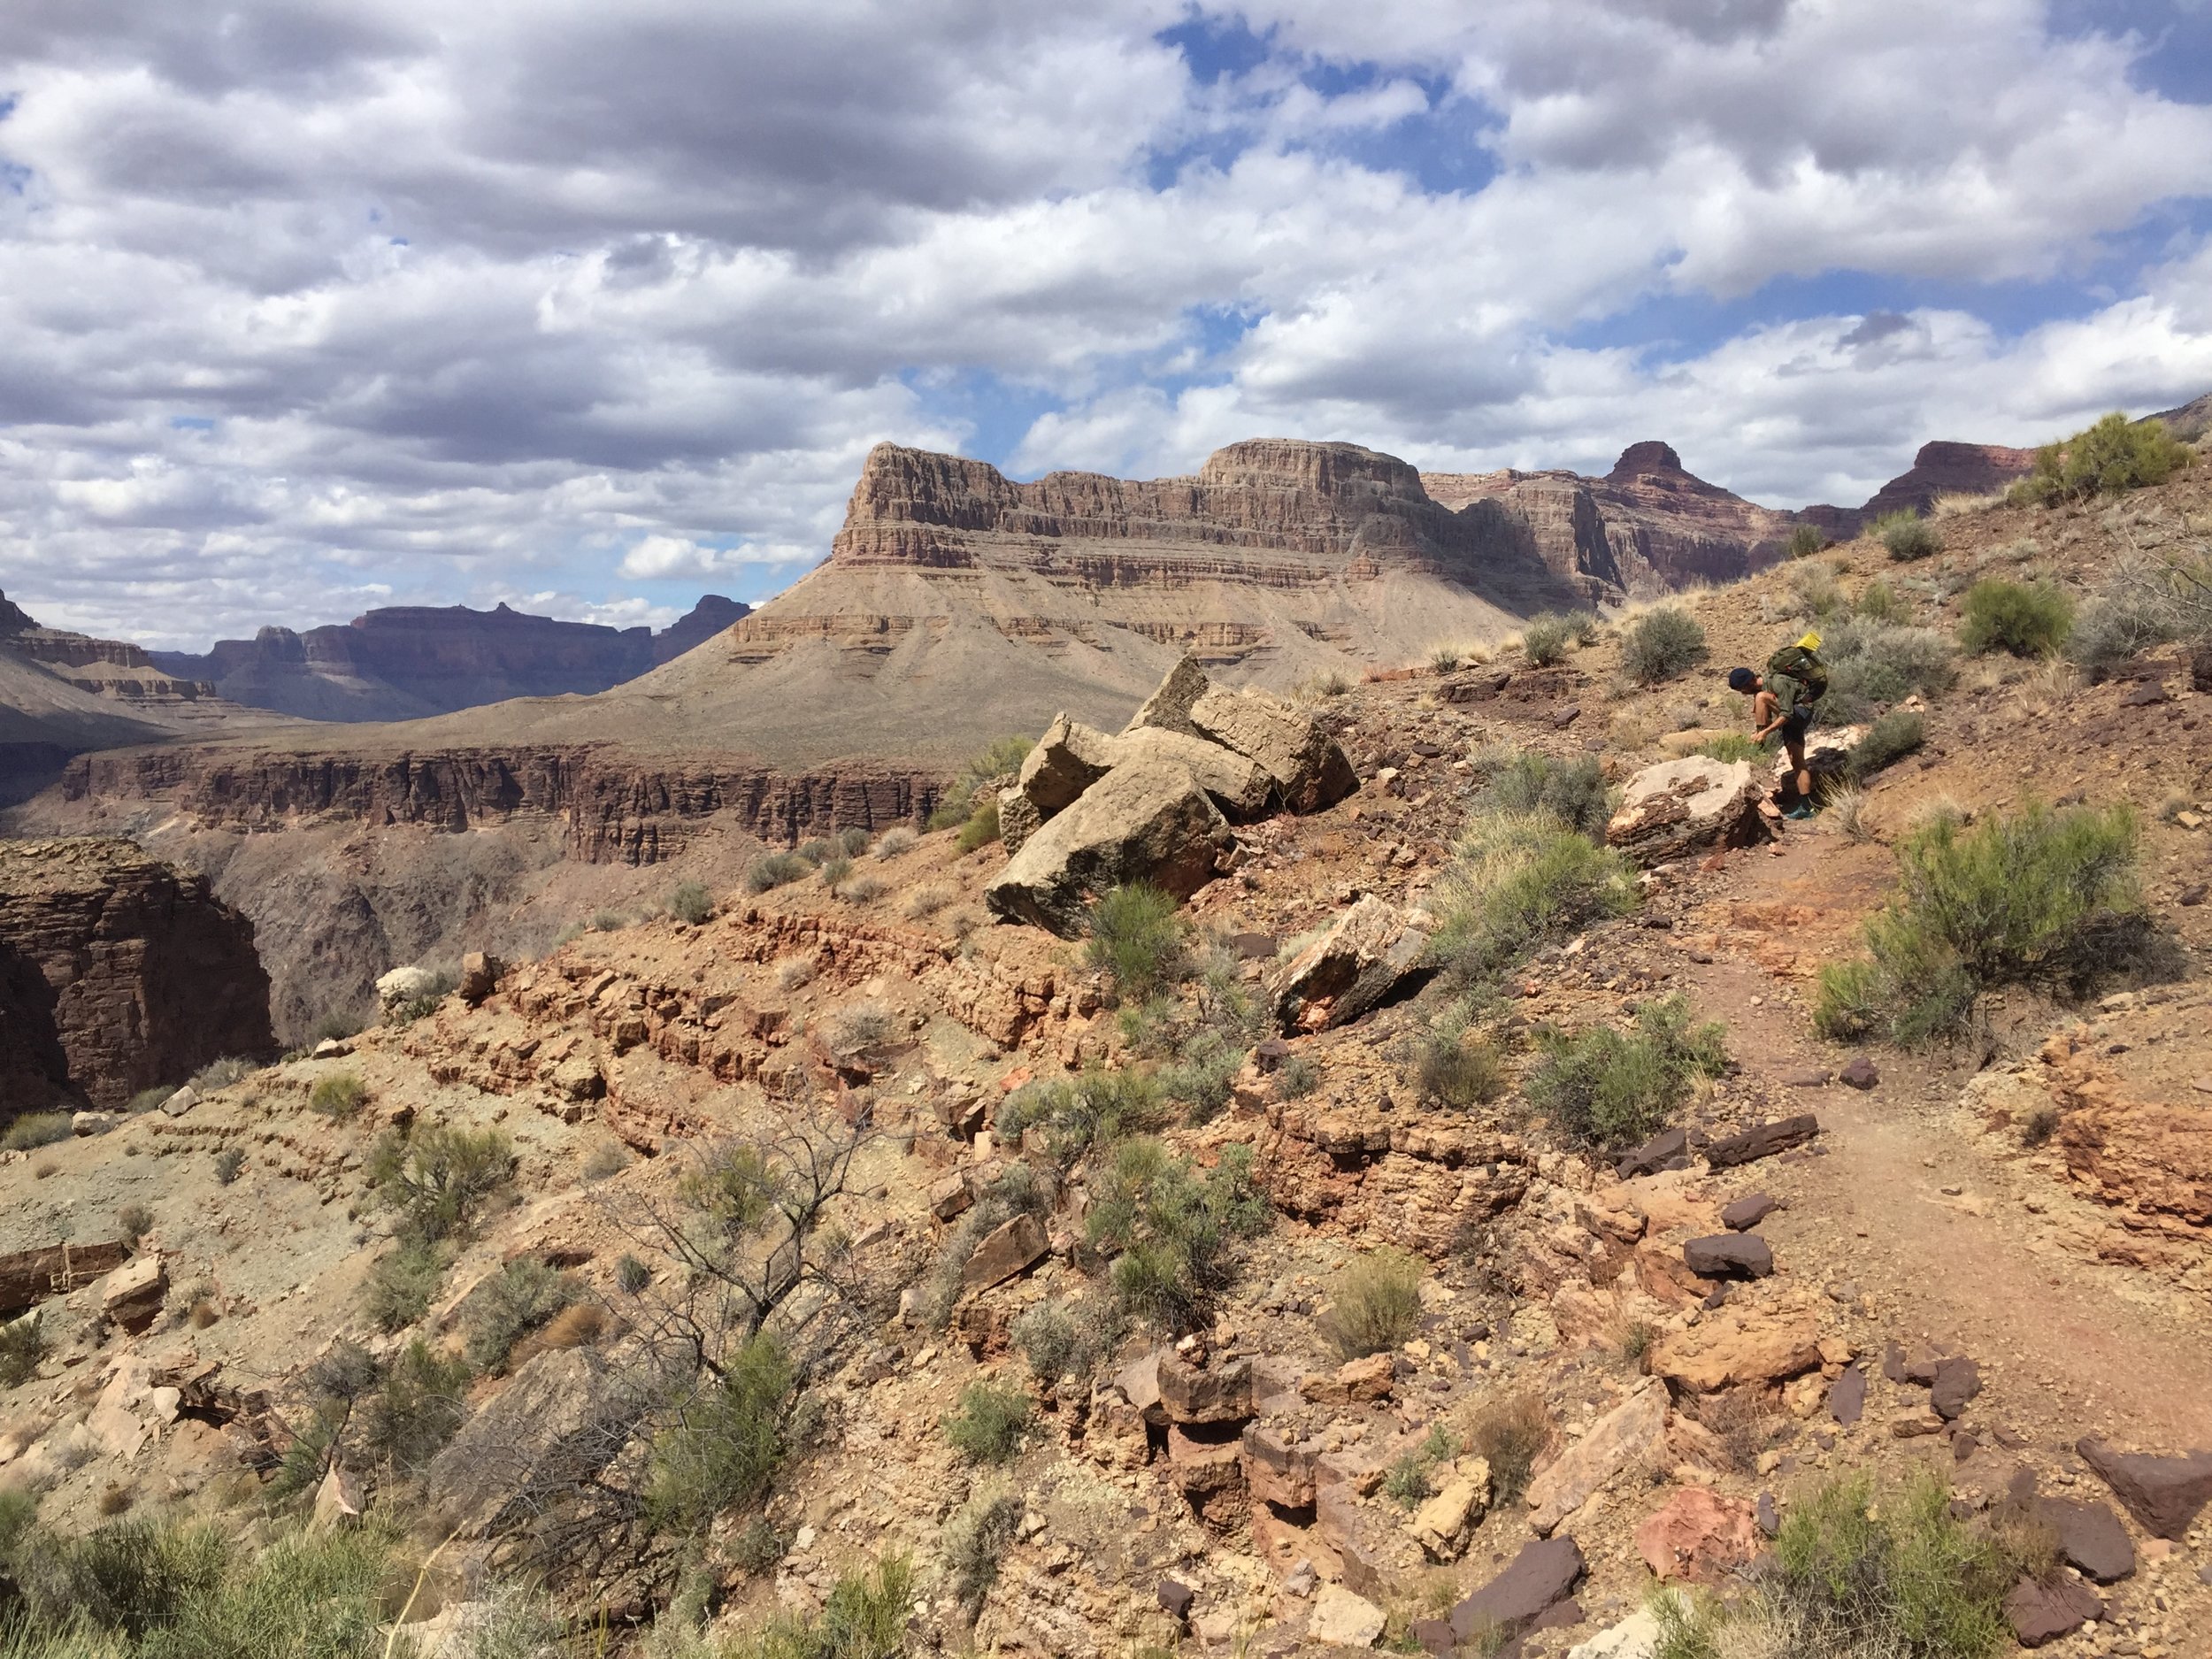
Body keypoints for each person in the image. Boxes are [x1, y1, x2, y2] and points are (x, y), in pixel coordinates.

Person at [1728, 631, 1826, 819]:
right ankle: (1807, 808)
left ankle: (1760, 744)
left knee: (1761, 698)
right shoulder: (1765, 689)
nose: (1742, 694)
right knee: (1796, 760)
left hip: (1800, 713)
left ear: (1748, 683)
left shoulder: (1778, 682)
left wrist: (1765, 731)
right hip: (1792, 719)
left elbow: (1787, 714)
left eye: (1742, 690)